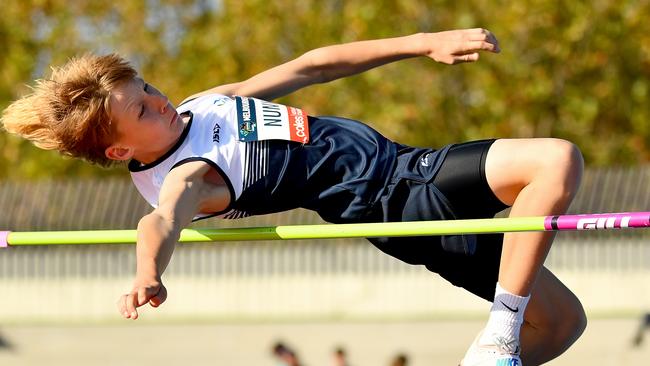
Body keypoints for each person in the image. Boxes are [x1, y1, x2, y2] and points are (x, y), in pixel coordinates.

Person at [1, 28, 587, 365]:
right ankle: (503, 326)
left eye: (148, 87)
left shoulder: (201, 108)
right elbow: (160, 220)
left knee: (562, 321)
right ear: (120, 151)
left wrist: (424, 42)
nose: (161, 101)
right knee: (555, 169)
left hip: (411, 167)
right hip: (401, 205)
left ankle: (499, 339)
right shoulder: (185, 173)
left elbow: (313, 66)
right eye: (142, 110)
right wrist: (148, 271)